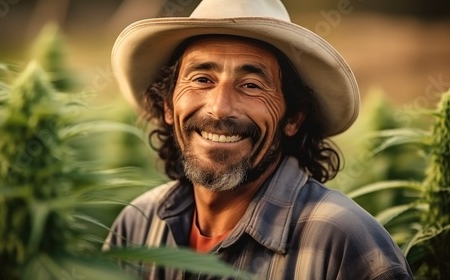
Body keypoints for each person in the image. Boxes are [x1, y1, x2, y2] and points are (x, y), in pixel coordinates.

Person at [104, 0, 414, 279]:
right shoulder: (137, 226)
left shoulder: (342, 241)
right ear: (168, 106)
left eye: (251, 85)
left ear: (293, 118)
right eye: (202, 79)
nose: (219, 108)